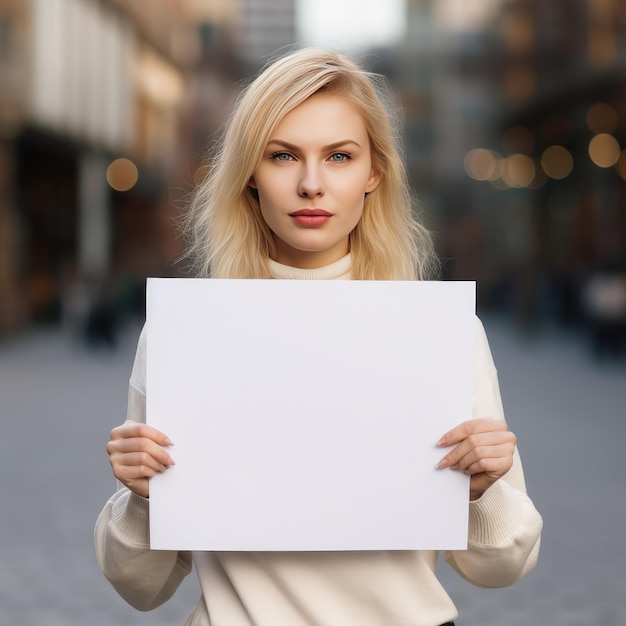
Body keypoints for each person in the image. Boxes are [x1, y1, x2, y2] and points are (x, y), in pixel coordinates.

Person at [95, 48, 542, 626]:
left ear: (373, 171)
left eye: (339, 156)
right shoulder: (188, 333)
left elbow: (501, 566)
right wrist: (139, 498)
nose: (312, 184)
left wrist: (483, 489)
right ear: (250, 174)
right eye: (283, 156)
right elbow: (142, 588)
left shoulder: (440, 333)